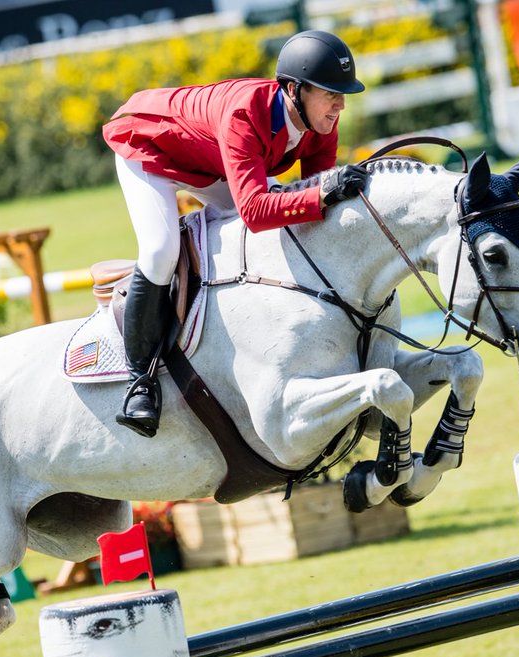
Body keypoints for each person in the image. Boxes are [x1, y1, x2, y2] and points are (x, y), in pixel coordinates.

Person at [102, 29, 369, 438]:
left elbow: (316, 203)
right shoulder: (246, 112)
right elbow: (259, 211)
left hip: (210, 161)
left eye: (343, 93)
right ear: (295, 90)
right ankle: (140, 383)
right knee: (160, 251)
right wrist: (324, 194)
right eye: (330, 92)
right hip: (148, 147)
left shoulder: (322, 124)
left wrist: (337, 197)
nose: (340, 104)